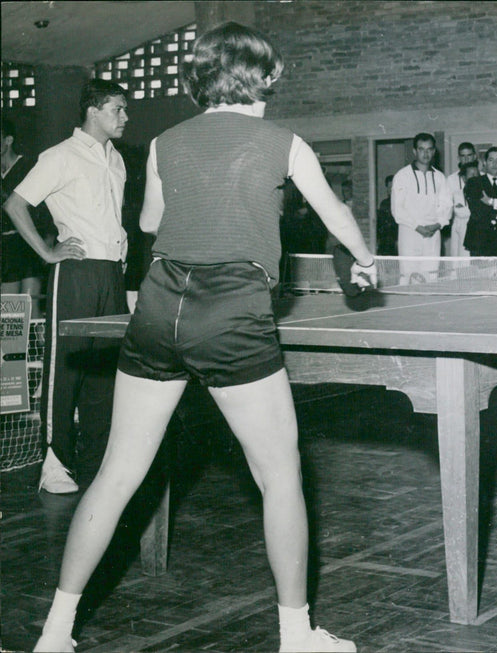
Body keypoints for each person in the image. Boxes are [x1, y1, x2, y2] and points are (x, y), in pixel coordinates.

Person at [31, 22, 373, 653]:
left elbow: (150, 221)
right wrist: (364, 260)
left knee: (114, 475)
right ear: (262, 76)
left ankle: (54, 634)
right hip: (233, 312)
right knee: (280, 478)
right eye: (273, 72)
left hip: (160, 308)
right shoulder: (285, 142)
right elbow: (335, 214)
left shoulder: (162, 142)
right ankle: (297, 637)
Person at [4, 80, 131, 494]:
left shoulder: (117, 161)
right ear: (93, 111)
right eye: (117, 109)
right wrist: (46, 252)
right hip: (75, 272)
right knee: (67, 366)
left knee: (103, 370)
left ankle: (94, 461)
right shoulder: (60, 156)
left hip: (112, 272)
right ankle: (54, 463)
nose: (125, 117)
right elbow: (15, 204)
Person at [1, 119, 53, 318]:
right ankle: (9, 349)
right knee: (9, 311)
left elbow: (46, 211)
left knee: (29, 308)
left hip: (27, 244)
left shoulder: (29, 167)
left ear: (8, 140)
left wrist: (47, 240)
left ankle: (34, 347)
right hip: (5, 250)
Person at [391, 132, 452, 281]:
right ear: (414, 151)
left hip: (433, 233)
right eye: (421, 149)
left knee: (431, 276)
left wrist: (437, 225)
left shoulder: (439, 177)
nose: (426, 153)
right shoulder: (402, 175)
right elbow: (398, 209)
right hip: (410, 233)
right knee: (409, 275)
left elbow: (446, 206)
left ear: (434, 151)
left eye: (429, 149)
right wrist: (418, 227)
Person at [446, 142, 478, 257]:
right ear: (458, 158)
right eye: (463, 156)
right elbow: (449, 206)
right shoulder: (451, 179)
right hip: (459, 225)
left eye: (469, 155)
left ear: (474, 156)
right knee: (460, 260)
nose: (466, 159)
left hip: (478, 224)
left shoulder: (482, 176)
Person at [376, 174, 398, 255]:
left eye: (392, 187)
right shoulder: (384, 203)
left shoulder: (401, 203)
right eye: (388, 187)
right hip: (385, 241)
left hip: (397, 240)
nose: (390, 190)